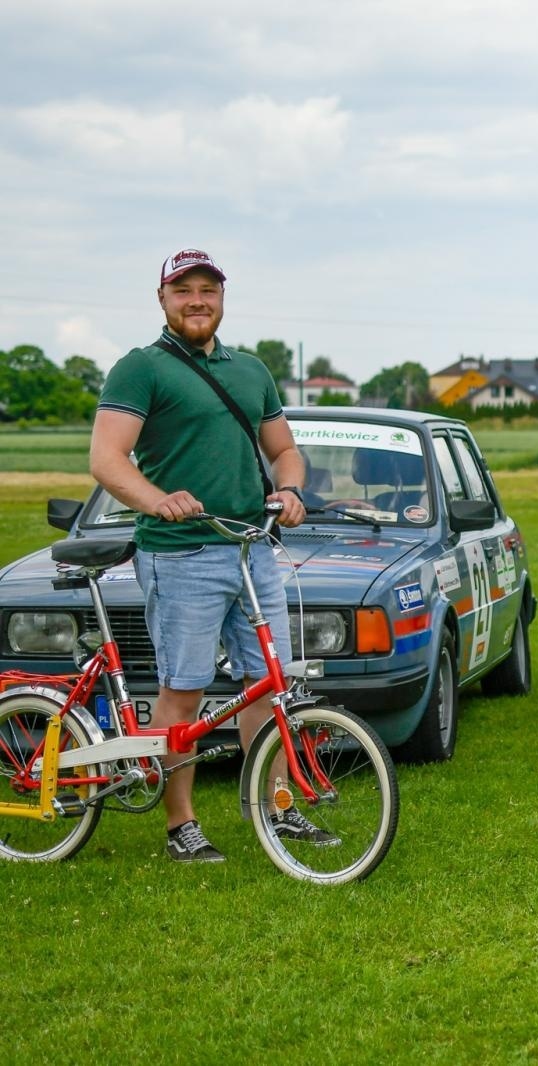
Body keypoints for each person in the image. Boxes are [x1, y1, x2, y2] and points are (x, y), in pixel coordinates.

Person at [89, 248, 333, 863]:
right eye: (183, 289)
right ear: (162, 297)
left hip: (252, 548)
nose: (197, 300)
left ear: (222, 298)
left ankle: (278, 808)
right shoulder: (140, 368)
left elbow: (284, 450)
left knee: (267, 686)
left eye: (209, 289)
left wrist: (292, 488)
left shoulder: (251, 370)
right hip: (182, 554)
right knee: (185, 691)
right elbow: (108, 459)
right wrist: (156, 499)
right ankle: (181, 826)